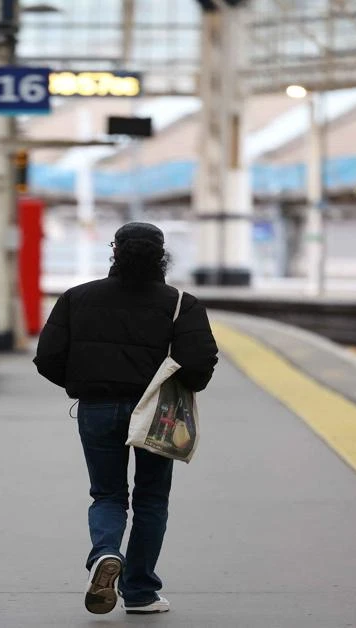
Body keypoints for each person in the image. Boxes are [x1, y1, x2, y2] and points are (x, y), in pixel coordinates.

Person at [33, 222, 218, 616]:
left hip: (98, 408)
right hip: (157, 414)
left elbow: (47, 357)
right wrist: (180, 384)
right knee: (151, 498)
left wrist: (82, 382)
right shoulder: (181, 303)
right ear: (162, 255)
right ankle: (140, 592)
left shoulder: (77, 298)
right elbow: (200, 363)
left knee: (108, 494)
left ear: (114, 251)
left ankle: (104, 553)